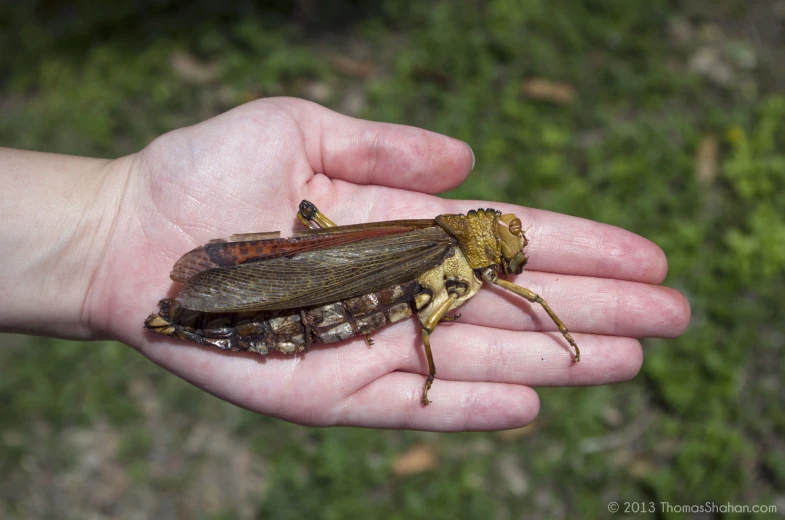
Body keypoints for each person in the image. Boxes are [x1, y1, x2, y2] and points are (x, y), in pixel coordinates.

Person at [0, 97, 690, 431]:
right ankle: (194, 314)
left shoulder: (454, 248)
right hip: (334, 286)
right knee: (311, 240)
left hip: (351, 291)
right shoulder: (438, 248)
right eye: (505, 244)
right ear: (479, 246)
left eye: (506, 240)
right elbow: (431, 325)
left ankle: (190, 314)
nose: (511, 247)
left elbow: (443, 313)